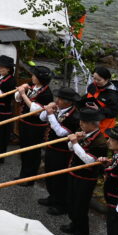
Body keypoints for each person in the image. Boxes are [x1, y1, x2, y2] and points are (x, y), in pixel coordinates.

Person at [62, 108, 108, 235]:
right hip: (74, 172)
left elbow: (89, 161)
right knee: (71, 201)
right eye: (81, 121)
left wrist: (75, 143)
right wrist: (73, 140)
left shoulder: (100, 141)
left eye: (84, 122)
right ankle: (74, 224)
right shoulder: (86, 133)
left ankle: (81, 234)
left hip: (86, 178)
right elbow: (71, 148)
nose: (80, 123)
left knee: (80, 206)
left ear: (93, 124)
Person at [38, 86, 82, 215]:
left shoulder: (74, 116)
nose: (57, 101)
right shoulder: (59, 108)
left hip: (63, 152)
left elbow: (60, 132)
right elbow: (41, 118)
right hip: (51, 147)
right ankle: (52, 197)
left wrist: (51, 115)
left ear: (69, 102)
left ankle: (61, 204)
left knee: (60, 178)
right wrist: (47, 110)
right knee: (49, 174)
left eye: (60, 99)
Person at [14, 65, 54, 181]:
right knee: (24, 149)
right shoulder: (33, 86)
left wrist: (23, 94)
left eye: (34, 75)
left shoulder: (46, 94)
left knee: (32, 152)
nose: (32, 77)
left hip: (35, 127)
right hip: (25, 123)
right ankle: (23, 175)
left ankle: (29, 177)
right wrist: (22, 90)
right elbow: (17, 98)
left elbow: (35, 110)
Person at [84, 65, 118, 134]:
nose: (95, 81)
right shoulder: (92, 86)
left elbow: (114, 112)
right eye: (94, 78)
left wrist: (99, 109)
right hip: (89, 125)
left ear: (106, 80)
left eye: (99, 80)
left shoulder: (112, 94)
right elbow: (87, 97)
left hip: (103, 129)